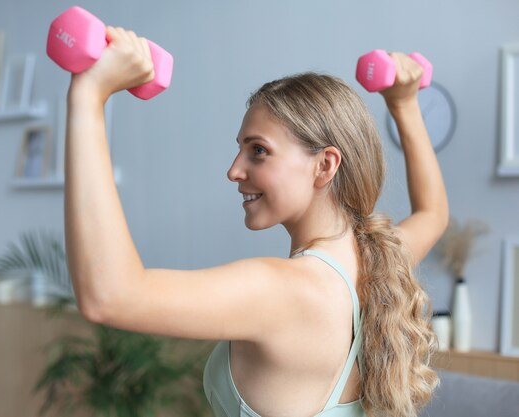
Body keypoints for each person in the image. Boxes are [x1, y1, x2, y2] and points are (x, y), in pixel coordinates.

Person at [64, 26, 448, 417]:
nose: (234, 171)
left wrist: (88, 98)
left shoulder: (284, 291)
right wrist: (404, 104)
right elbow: (433, 214)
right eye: (241, 150)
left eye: (258, 151)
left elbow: (109, 296)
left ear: (325, 165)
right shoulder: (379, 260)